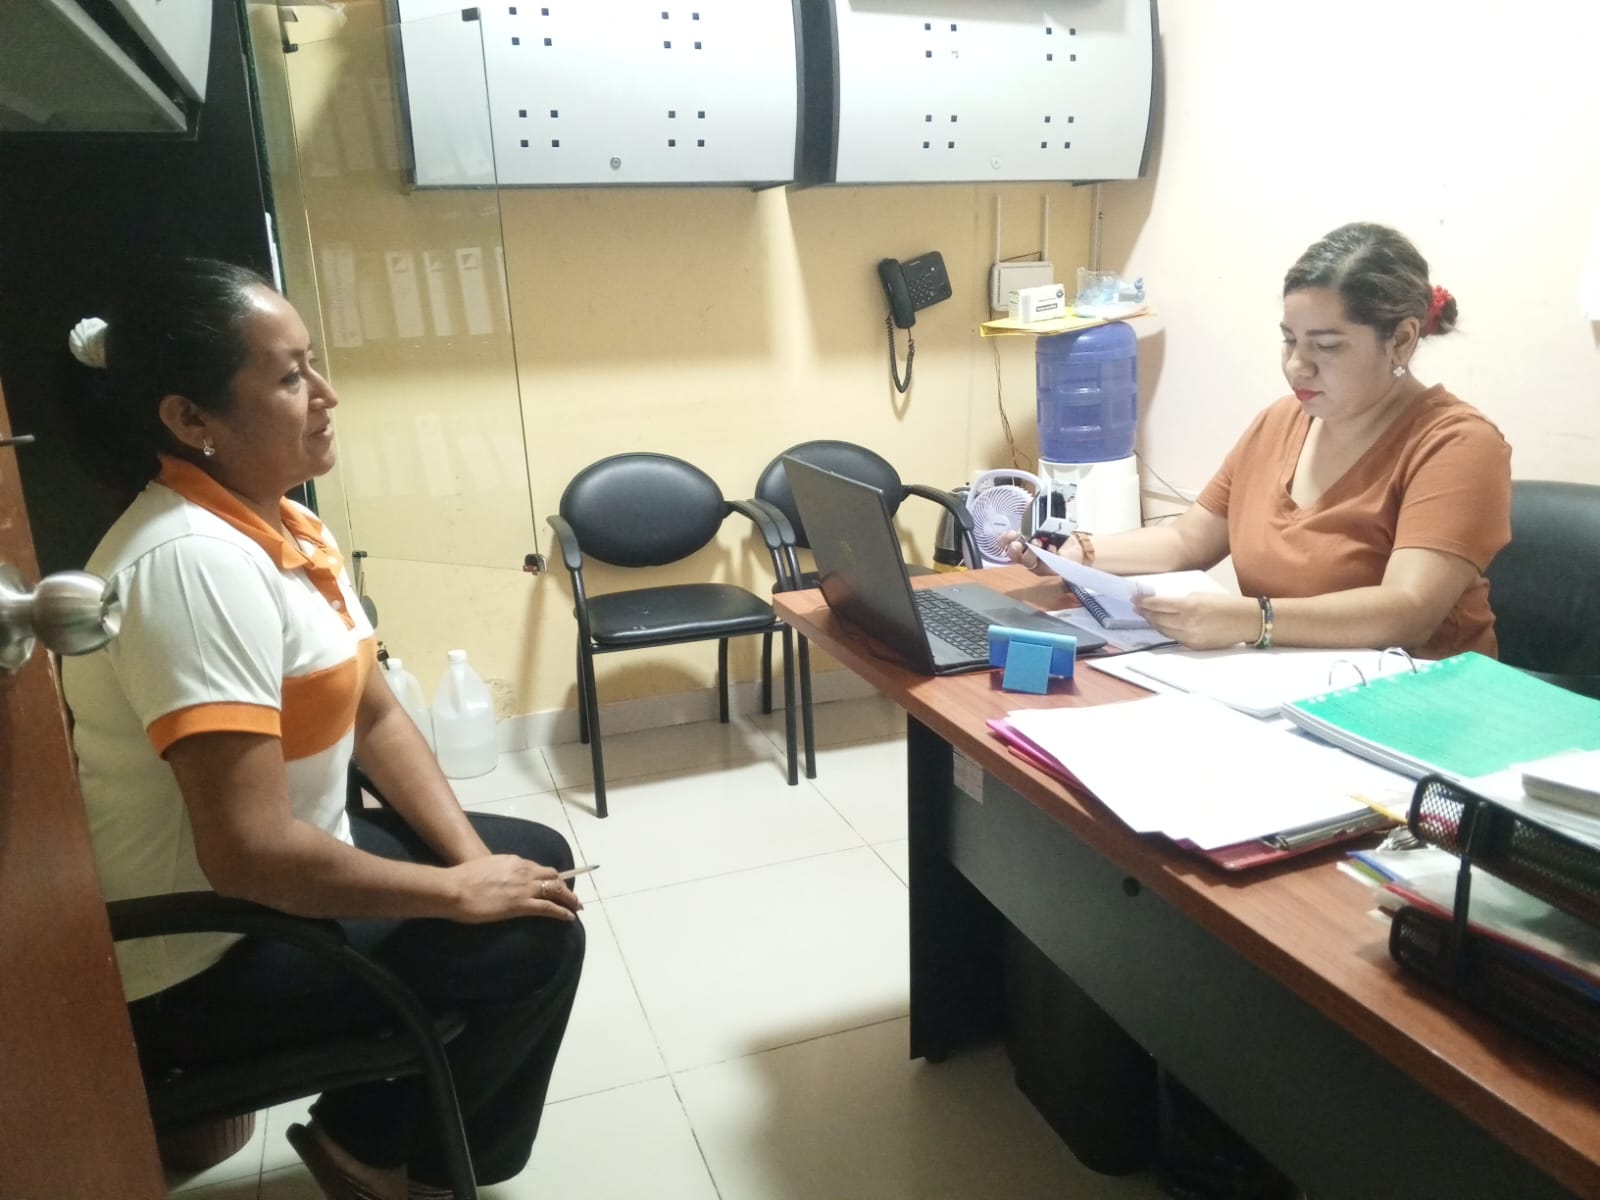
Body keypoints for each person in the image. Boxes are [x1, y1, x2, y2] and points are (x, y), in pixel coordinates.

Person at [60, 258, 584, 1200]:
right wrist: (455, 895)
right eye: (291, 376)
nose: (327, 394)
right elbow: (249, 854)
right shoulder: (191, 567)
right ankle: (400, 1163)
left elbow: (373, 712)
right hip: (201, 957)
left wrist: (473, 865)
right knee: (533, 942)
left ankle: (365, 1140)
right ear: (191, 419)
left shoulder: (285, 526)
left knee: (532, 865)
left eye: (312, 363)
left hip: (280, 892)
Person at [1004, 222, 1511, 660]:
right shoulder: (1281, 421)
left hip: (1417, 703)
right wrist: (1080, 552)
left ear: (1400, 339)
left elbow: (1409, 611)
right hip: (1286, 689)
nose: (1297, 366)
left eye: (1326, 346)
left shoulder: (1456, 444)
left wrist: (1253, 620)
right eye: (1290, 340)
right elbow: (1186, 541)